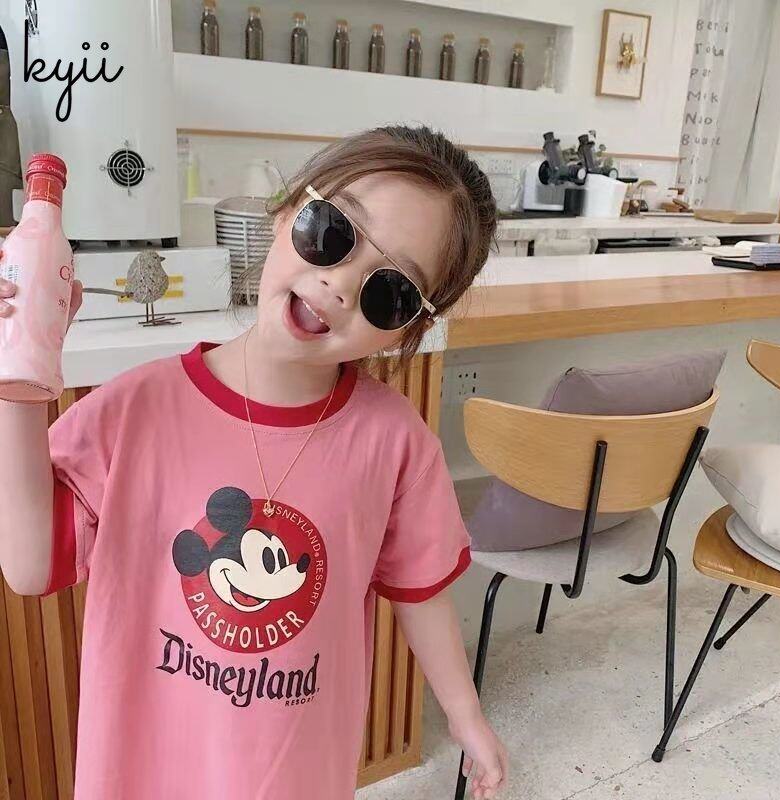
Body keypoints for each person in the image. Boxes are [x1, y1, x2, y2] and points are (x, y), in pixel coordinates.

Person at [0, 125, 507, 799]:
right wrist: (16, 380)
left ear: (410, 326)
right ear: (284, 210)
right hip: (142, 774)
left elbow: (423, 593)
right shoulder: (136, 411)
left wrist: (466, 716)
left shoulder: (394, 444)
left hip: (292, 778)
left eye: (390, 290)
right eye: (332, 232)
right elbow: (31, 566)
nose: (338, 284)